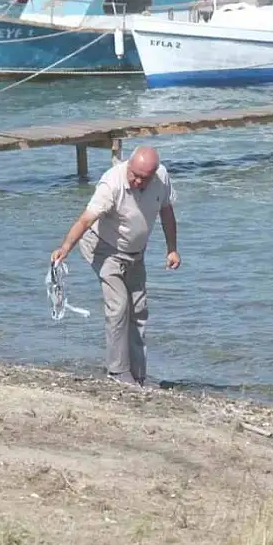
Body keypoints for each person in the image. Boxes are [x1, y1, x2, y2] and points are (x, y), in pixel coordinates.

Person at [50, 145, 181, 386]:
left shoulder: (161, 177)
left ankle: (138, 373)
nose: (139, 182)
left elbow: (167, 212)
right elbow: (85, 219)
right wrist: (64, 248)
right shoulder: (111, 184)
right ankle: (118, 372)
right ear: (128, 165)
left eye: (145, 178)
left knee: (139, 309)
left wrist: (172, 248)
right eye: (135, 175)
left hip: (135, 253)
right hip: (103, 249)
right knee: (119, 306)